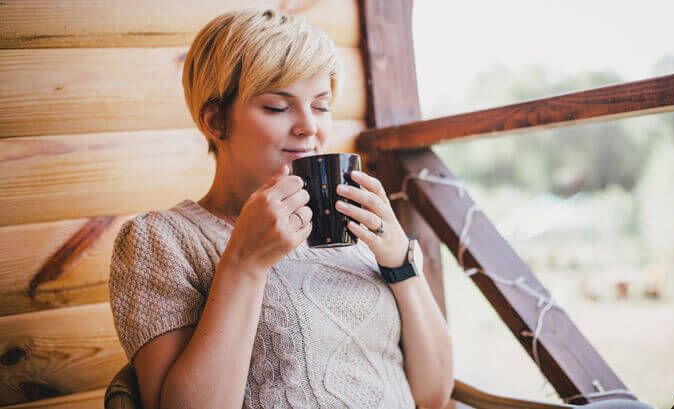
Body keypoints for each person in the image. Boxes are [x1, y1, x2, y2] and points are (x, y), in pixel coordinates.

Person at [108, 7, 453, 409]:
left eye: (321, 106)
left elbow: (432, 396)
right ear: (215, 122)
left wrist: (401, 264)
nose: (310, 127)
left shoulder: (354, 232)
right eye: (277, 106)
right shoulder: (159, 241)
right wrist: (244, 263)